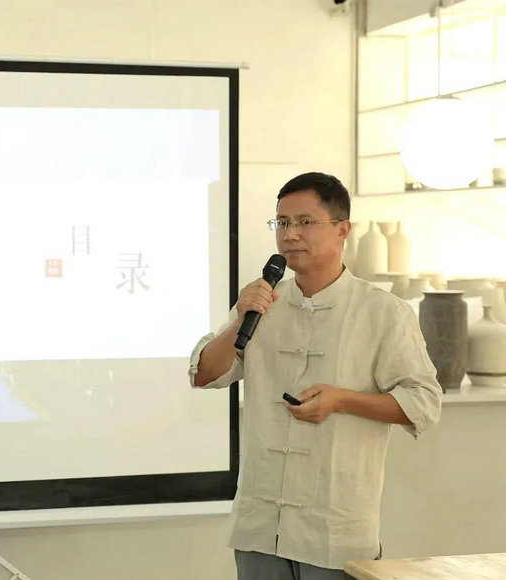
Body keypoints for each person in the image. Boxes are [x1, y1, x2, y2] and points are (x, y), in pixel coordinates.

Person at [189, 172, 441, 579]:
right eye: (282, 222)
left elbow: (424, 403)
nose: (290, 234)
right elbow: (204, 374)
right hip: (259, 528)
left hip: (334, 532)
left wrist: (342, 400)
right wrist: (239, 319)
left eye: (305, 222)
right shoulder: (261, 302)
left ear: (342, 230)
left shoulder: (383, 312)